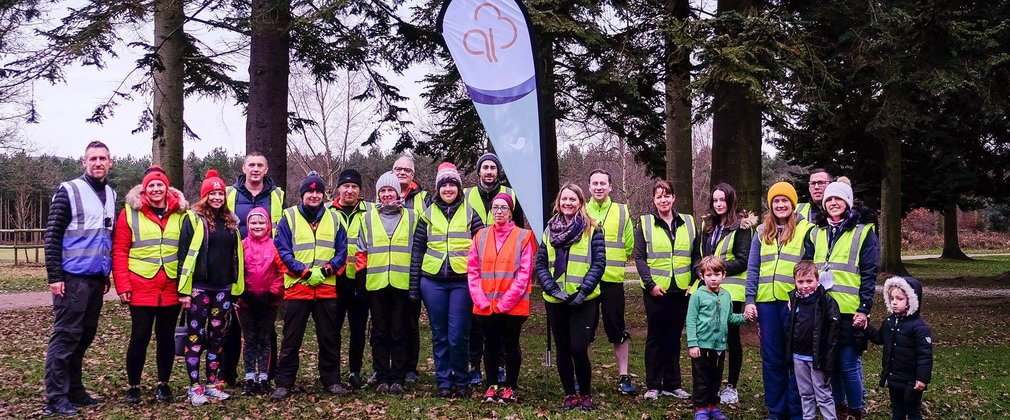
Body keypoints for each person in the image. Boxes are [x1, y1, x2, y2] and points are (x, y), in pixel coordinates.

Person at [43, 140, 117, 416]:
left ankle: (74, 389)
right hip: (71, 278)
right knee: (65, 337)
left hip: (96, 278)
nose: (98, 163)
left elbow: (106, 236)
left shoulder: (110, 193)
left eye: (103, 158)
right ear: (84, 162)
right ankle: (55, 396)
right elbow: (52, 235)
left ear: (110, 162)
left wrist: (105, 270)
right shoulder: (69, 191)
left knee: (84, 336)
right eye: (93, 158)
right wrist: (55, 276)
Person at [802, 178, 879, 419]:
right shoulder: (816, 233)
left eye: (839, 198)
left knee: (848, 365)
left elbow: (869, 274)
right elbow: (807, 269)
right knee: (831, 365)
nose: (834, 203)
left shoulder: (863, 232)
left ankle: (856, 411)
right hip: (822, 311)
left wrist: (864, 309)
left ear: (847, 202)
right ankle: (840, 410)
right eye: (829, 199)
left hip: (849, 311)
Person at [112, 165, 187, 405]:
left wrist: (186, 287)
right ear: (144, 189)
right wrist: (122, 286)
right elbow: (120, 251)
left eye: (160, 185)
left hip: (171, 287)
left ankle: (163, 384)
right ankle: (133, 385)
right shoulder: (129, 213)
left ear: (167, 188)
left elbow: (189, 250)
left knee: (166, 338)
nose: (156, 189)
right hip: (140, 286)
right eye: (151, 185)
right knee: (139, 337)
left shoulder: (182, 213)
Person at [270, 171, 350, 399]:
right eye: (310, 192)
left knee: (329, 338)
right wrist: (303, 271)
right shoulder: (289, 217)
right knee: (291, 338)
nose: (314, 195)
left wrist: (326, 270)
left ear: (323, 195)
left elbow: (342, 252)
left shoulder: (335, 218)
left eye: (318, 192)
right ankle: (284, 383)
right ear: (302, 194)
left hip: (326, 287)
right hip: (298, 287)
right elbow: (281, 251)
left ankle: (332, 380)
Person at [409, 163, 484, 397]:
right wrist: (414, 287)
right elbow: (417, 251)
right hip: (432, 282)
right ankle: (443, 381)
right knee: (439, 333)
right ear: (438, 188)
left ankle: (461, 379)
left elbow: (483, 249)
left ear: (459, 188)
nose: (448, 189)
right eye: (444, 185)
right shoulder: (427, 214)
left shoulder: (471, 212)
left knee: (458, 334)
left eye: (452, 184)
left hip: (462, 282)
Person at [744, 181, 814, 419]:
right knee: (772, 359)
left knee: (795, 359)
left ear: (793, 204)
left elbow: (811, 269)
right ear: (771, 205)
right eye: (776, 201)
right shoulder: (761, 232)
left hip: (794, 305)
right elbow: (753, 268)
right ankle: (776, 410)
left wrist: (802, 298)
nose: (781, 205)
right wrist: (750, 299)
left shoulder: (806, 230)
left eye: (785, 201)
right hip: (766, 305)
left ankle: (797, 411)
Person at [535, 183, 606, 411]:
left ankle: (585, 393)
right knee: (563, 349)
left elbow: (598, 264)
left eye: (572, 199)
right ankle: (570, 394)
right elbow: (541, 264)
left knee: (578, 348)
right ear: (559, 202)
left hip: (583, 299)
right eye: (564, 199)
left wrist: (583, 291)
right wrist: (553, 289)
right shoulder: (548, 230)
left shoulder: (592, 229)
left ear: (580, 203)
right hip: (557, 300)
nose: (568, 203)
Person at [177, 170, 245, 406]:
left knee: (217, 338)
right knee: (195, 337)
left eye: (220, 193)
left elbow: (237, 257)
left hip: (223, 289)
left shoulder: (231, 222)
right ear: (204, 195)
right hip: (199, 288)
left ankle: (212, 383)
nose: (217, 197)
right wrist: (183, 291)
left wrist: (237, 288)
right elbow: (184, 255)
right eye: (212, 193)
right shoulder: (193, 218)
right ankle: (194, 386)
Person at [222, 152, 285, 385]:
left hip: (269, 269)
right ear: (244, 168)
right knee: (232, 327)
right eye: (251, 165)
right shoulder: (231, 194)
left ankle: (269, 374)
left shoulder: (277, 195)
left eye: (260, 165)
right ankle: (227, 375)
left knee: (267, 332)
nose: (255, 169)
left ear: (266, 169)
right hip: (237, 266)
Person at [355, 171, 419, 394]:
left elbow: (418, 250)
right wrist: (361, 282)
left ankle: (398, 377)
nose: (387, 195)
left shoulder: (412, 216)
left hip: (402, 284)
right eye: (382, 191)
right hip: (376, 284)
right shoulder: (368, 217)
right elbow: (361, 251)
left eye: (390, 190)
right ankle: (382, 375)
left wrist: (415, 282)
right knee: (380, 332)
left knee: (400, 331)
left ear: (398, 192)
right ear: (378, 194)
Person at [467, 193, 535, 404]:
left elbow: (525, 274)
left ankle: (510, 387)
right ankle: (492, 385)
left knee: (511, 344)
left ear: (510, 211)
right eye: (495, 207)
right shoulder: (480, 235)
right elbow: (472, 270)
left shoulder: (524, 236)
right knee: (491, 345)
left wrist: (505, 302)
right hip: (486, 305)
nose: (498, 212)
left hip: (512, 306)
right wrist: (481, 299)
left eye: (503, 208)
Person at [692, 182, 756, 404]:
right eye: (715, 200)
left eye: (723, 200)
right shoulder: (707, 226)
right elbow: (697, 255)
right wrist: (700, 271)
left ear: (730, 201)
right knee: (708, 337)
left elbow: (743, 259)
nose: (719, 204)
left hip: (732, 291)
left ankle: (731, 386)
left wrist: (715, 268)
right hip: (706, 291)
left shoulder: (742, 226)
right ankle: (710, 384)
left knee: (732, 339)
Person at [464, 153, 524, 385]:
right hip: (479, 265)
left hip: (506, 268)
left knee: (501, 322)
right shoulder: (467, 194)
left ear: (498, 171)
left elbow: (518, 227)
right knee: (476, 323)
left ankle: (499, 367)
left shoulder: (510, 194)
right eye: (485, 167)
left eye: (493, 168)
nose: (489, 171)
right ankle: (475, 366)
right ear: (479, 171)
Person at [635, 180, 696, 401]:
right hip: (656, 290)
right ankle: (653, 385)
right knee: (655, 337)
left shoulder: (688, 222)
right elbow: (639, 257)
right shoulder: (645, 223)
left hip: (681, 289)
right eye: (659, 196)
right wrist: (650, 285)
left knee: (673, 337)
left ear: (674, 198)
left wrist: (694, 280)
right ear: (654, 199)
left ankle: (673, 384)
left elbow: (695, 255)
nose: (663, 199)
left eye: (667, 195)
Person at [585, 169, 637, 396]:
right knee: (585, 330)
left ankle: (623, 376)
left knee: (617, 329)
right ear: (588, 187)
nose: (598, 187)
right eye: (594, 183)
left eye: (602, 183)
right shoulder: (581, 210)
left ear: (610, 187)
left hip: (612, 280)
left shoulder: (622, 211)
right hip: (586, 281)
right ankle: (582, 375)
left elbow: (628, 246)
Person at [686, 256, 746, 420]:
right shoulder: (697, 296)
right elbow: (691, 321)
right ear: (702, 276)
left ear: (723, 275)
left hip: (719, 346)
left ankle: (713, 405)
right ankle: (700, 407)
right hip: (701, 346)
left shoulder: (726, 296)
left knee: (715, 377)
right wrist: (693, 344)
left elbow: (730, 318)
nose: (713, 278)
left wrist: (744, 317)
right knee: (701, 378)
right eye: (709, 275)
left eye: (717, 274)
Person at [865, 276, 933, 420]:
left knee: (913, 410)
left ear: (911, 300)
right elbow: (879, 338)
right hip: (894, 377)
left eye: (900, 299)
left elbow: (925, 355)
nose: (894, 302)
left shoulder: (919, 327)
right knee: (897, 410)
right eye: (892, 298)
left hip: (911, 381)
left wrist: (922, 378)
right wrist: (866, 327)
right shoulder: (889, 322)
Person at [330, 169, 371, 389]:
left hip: (360, 280)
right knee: (332, 329)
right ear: (339, 188)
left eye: (354, 186)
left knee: (358, 330)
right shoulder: (328, 211)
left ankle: (355, 371)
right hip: (334, 280)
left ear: (360, 190)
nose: (350, 190)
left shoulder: (370, 211)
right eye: (346, 186)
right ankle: (332, 372)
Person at [237, 208, 284, 396]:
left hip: (268, 302)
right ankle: (249, 377)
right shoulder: (242, 246)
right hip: (246, 301)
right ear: (248, 225)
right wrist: (242, 293)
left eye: (261, 223)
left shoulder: (275, 246)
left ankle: (264, 377)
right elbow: (236, 270)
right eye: (254, 223)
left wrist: (272, 294)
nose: (258, 226)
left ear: (268, 225)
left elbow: (281, 272)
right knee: (249, 340)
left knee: (264, 339)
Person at [787, 261, 840, 420]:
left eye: (809, 281)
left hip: (818, 358)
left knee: (823, 395)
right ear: (795, 281)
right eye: (800, 281)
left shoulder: (826, 302)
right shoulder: (793, 300)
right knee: (806, 394)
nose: (805, 286)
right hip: (798, 356)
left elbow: (833, 334)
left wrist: (828, 359)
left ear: (817, 281)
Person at [391, 155, 426, 383]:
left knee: (410, 322)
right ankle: (386, 365)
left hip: (414, 268)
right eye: (398, 169)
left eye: (406, 170)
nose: (402, 172)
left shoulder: (423, 198)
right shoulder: (383, 194)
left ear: (413, 174)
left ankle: (410, 367)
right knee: (384, 324)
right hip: (386, 269)